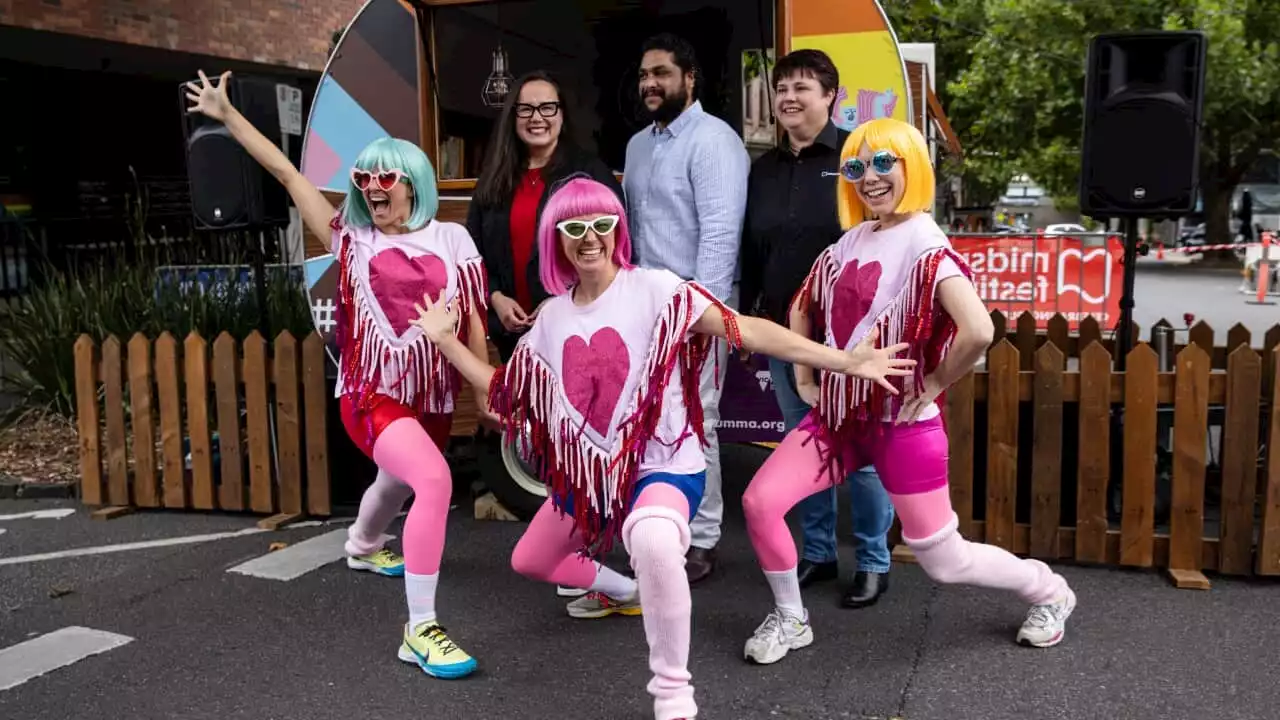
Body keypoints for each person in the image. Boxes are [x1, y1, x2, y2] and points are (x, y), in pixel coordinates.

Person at [410, 176, 914, 720]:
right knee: (531, 559)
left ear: (617, 230)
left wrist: (842, 361)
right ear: (555, 238)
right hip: (597, 481)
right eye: (573, 227)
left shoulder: (656, 290)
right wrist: (442, 339)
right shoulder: (552, 319)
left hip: (664, 468)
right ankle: (623, 590)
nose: (589, 238)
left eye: (601, 224)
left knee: (652, 539)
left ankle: (673, 695)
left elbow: (745, 329)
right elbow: (504, 389)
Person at [739, 118, 1078, 666]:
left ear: (911, 165)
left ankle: (1048, 590)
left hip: (902, 424)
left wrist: (938, 383)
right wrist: (806, 378)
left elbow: (980, 331)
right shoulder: (853, 239)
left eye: (882, 162)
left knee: (944, 561)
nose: (869, 177)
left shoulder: (925, 241)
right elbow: (803, 302)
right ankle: (790, 616)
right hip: (840, 421)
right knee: (759, 502)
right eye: (855, 167)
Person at [186, 71, 489, 679]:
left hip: (431, 396)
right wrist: (227, 116)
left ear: (414, 186)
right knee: (432, 480)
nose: (372, 188)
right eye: (362, 178)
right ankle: (421, 629)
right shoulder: (350, 240)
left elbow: (475, 318)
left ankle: (361, 545)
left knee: (397, 481)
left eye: (386, 177)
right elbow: (287, 174)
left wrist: (485, 392)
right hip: (370, 395)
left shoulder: (453, 238)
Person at [738, 49, 895, 608]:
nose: (789, 97)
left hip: (854, 338)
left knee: (865, 451)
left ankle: (875, 560)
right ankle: (819, 553)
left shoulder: (858, 159)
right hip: (786, 336)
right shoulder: (764, 169)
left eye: (802, 87)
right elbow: (752, 253)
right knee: (804, 445)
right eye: (781, 88)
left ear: (831, 95)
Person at [467, 69, 625, 600]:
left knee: (585, 440)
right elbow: (473, 255)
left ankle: (600, 558)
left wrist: (564, 305)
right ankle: (575, 553)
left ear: (563, 114)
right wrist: (494, 299)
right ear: (513, 118)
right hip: (518, 332)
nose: (537, 119)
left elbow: (610, 246)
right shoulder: (495, 179)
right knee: (550, 442)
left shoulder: (587, 172)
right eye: (526, 110)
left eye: (547, 108)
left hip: (575, 328)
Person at [623, 32, 750, 584]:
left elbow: (721, 238)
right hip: (647, 311)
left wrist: (701, 317)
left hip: (698, 312)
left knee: (700, 421)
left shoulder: (714, 141)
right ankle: (663, 526)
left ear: (689, 77)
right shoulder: (637, 146)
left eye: (662, 73)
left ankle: (703, 538)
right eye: (645, 75)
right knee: (656, 421)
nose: (651, 83)